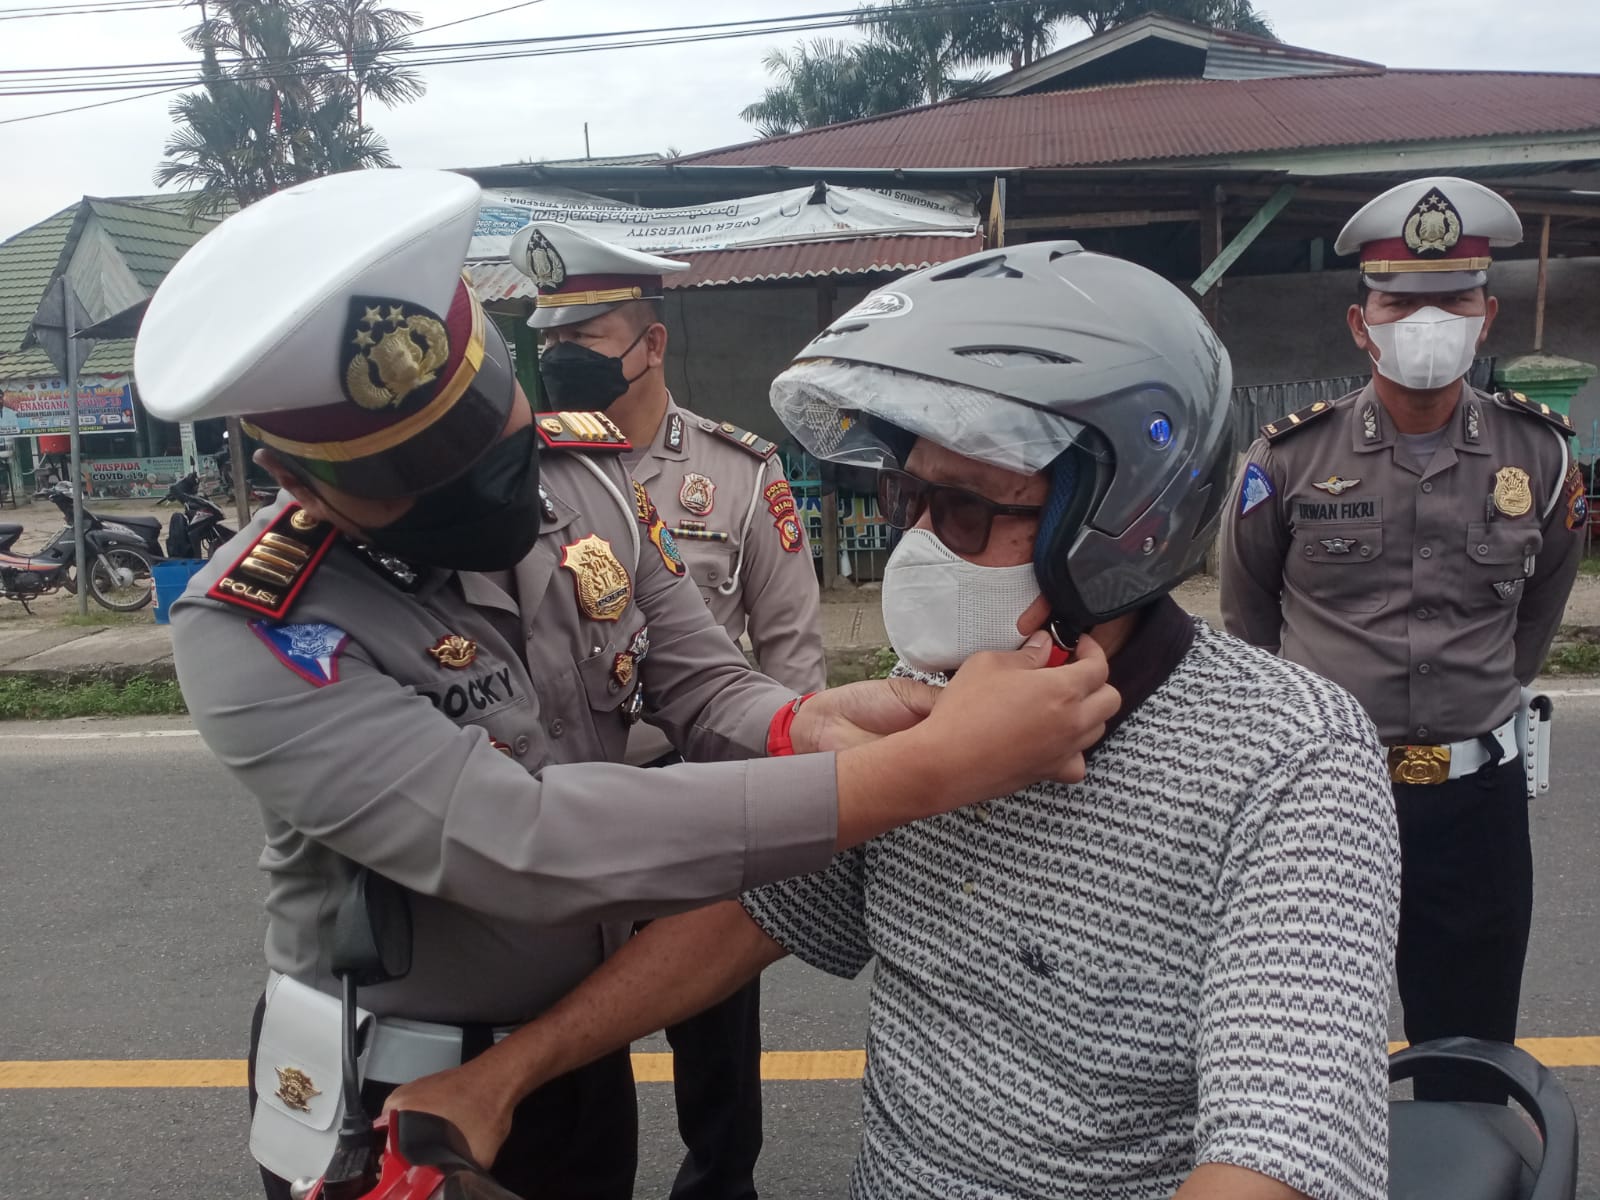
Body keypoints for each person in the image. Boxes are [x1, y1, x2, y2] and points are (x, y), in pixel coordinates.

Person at [132, 170, 1121, 1200]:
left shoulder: (583, 484)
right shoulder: (256, 626)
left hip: (574, 1048)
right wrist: (930, 769)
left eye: (487, 439)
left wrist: (814, 722)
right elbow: (529, 842)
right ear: (299, 483)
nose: (477, 487)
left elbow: (705, 690)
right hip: (386, 1090)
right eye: (412, 475)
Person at [384, 242, 1402, 1200]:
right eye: (905, 498)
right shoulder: (936, 705)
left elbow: (1274, 1154)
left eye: (963, 511)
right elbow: (755, 916)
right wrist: (507, 1074)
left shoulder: (1288, 756)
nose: (916, 545)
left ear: (1123, 520)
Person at [1219, 177, 1583, 1102]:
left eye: (1452, 298)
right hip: (1325, 799)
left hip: (1477, 810)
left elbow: (1535, 618)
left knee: (1468, 1063)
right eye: (1401, 301)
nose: (1427, 319)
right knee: (1299, 1063)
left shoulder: (1539, 456)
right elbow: (1250, 621)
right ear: (1360, 323)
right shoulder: (1289, 460)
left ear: (1486, 314)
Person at [510, 220, 826, 1200]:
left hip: (697, 785)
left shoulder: (737, 472)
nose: (562, 358)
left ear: (651, 343)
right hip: (571, 791)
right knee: (557, 1026)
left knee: (716, 1037)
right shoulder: (526, 475)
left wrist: (789, 799)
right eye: (548, 341)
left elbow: (789, 649)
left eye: (587, 337)